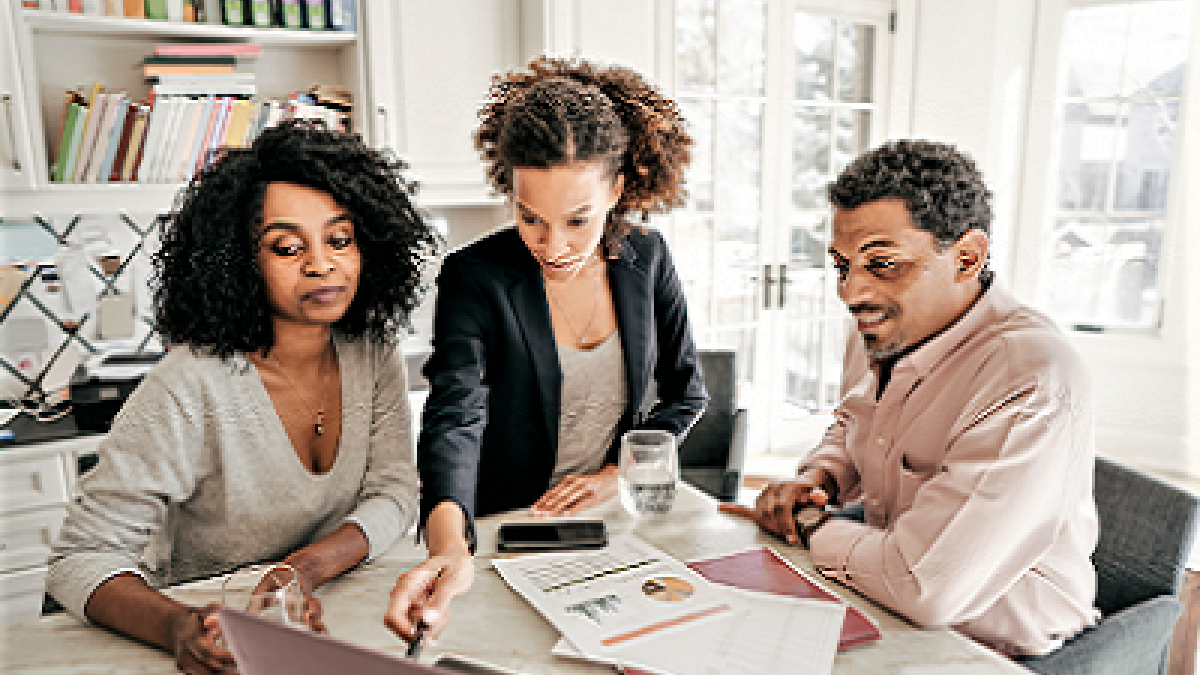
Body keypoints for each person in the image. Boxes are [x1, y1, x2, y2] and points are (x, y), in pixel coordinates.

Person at [47, 120, 440, 675]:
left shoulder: (371, 349)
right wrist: (177, 627)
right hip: (209, 636)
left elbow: (395, 490)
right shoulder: (190, 386)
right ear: (240, 262)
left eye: (339, 239)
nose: (321, 264)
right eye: (286, 248)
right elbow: (79, 560)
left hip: (323, 610)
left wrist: (298, 572)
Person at [384, 56, 708, 644]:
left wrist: (618, 474)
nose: (552, 246)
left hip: (614, 526)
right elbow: (455, 416)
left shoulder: (648, 259)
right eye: (530, 217)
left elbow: (686, 393)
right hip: (506, 528)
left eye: (577, 221)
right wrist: (449, 547)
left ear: (616, 189)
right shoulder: (474, 277)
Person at [735, 140, 1100, 658]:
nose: (850, 292)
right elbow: (855, 420)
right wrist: (819, 478)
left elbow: (926, 588)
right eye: (842, 266)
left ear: (967, 257)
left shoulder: (1032, 379)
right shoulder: (886, 323)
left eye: (882, 264)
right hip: (887, 607)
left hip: (1002, 649)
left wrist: (813, 525)